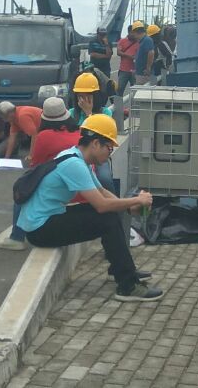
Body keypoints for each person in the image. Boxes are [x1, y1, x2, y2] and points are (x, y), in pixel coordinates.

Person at [17, 114, 164, 301]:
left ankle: (120, 269)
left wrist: (129, 207)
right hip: (40, 229)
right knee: (106, 218)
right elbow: (102, 205)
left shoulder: (77, 157)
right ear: (95, 144)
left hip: (46, 220)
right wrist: (137, 200)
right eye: (109, 148)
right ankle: (128, 285)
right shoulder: (74, 164)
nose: (109, 153)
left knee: (109, 215)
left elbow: (102, 192)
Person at [0, 96, 75, 250]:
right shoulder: (75, 132)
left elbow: (35, 145)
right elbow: (13, 138)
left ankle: (17, 237)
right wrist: (6, 158)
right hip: (72, 179)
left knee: (23, 190)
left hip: (59, 179)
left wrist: (31, 156)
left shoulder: (41, 132)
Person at [115, 21, 145, 95]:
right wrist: (129, 56)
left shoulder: (139, 41)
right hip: (124, 70)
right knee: (119, 89)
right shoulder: (122, 41)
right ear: (129, 32)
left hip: (135, 70)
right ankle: (118, 106)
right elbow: (118, 52)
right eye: (133, 32)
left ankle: (134, 106)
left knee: (135, 90)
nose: (134, 34)